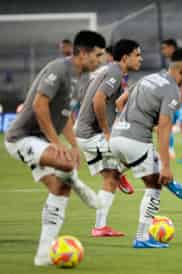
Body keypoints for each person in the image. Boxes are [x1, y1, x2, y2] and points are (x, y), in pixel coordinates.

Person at [4, 30, 106, 266]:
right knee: (66, 164)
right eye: (98, 55)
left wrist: (73, 144)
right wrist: (56, 142)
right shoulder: (58, 69)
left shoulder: (82, 78)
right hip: (22, 138)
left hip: (41, 140)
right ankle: (79, 184)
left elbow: (66, 115)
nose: (100, 60)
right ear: (82, 53)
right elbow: (40, 106)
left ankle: (43, 255)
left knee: (60, 188)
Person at [109, 48, 182, 248]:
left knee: (147, 166)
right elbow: (164, 129)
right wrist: (167, 166)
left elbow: (119, 101)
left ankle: (122, 170)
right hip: (136, 141)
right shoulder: (172, 89)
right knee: (155, 185)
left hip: (116, 137)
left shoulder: (149, 78)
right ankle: (141, 238)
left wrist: (132, 123)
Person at [75, 39, 142, 237]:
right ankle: (121, 169)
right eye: (137, 54)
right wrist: (106, 130)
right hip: (92, 134)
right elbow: (98, 99)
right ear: (125, 57)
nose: (141, 59)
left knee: (110, 178)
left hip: (86, 132)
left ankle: (100, 227)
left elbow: (115, 103)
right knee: (141, 150)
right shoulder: (114, 71)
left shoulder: (113, 72)